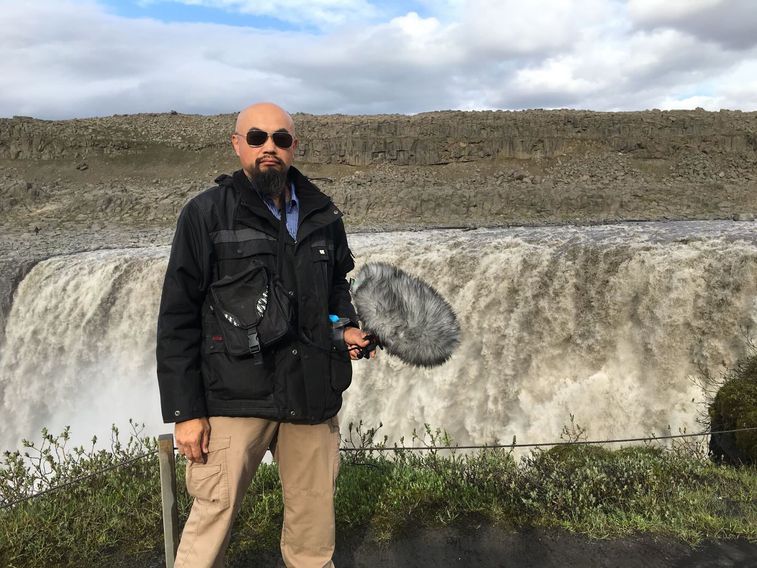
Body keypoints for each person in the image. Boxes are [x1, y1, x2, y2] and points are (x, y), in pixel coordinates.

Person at [156, 102, 372, 568]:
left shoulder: (323, 214)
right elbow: (177, 316)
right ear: (237, 145)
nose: (269, 148)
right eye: (257, 138)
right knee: (210, 523)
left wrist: (344, 326)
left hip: (311, 394)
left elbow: (335, 287)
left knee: (313, 536)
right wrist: (186, 411)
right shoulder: (205, 215)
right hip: (235, 397)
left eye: (280, 139)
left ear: (294, 147)